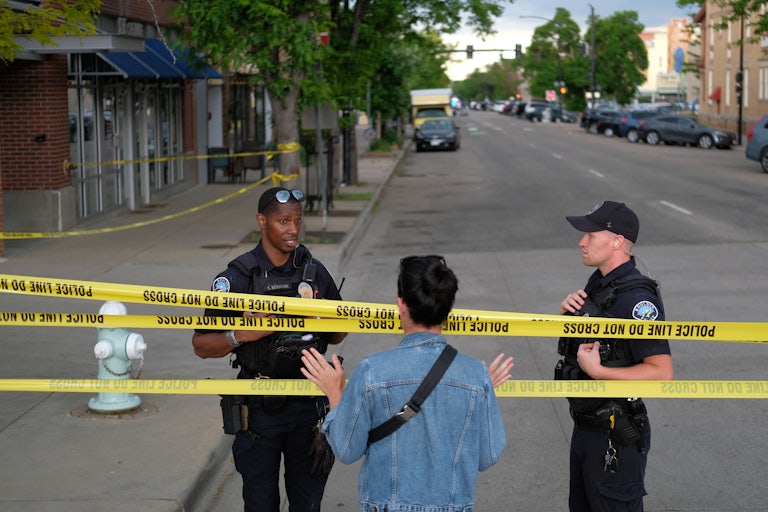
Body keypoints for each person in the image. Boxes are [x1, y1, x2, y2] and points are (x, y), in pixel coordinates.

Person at [301, 255, 512, 512]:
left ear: (401, 304)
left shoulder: (371, 370)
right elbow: (487, 455)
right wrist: (477, 395)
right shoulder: (476, 375)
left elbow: (347, 450)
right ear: (448, 308)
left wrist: (336, 395)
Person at [192, 187, 347, 512]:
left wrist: (324, 318)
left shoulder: (314, 271)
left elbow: (339, 335)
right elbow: (201, 345)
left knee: (308, 503)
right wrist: (240, 335)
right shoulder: (237, 278)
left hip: (310, 406)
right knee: (260, 503)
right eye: (283, 221)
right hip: (260, 409)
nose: (292, 229)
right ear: (262, 221)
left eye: (297, 220)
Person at [556, 201, 674, 512]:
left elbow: (661, 372)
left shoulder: (636, 300)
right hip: (587, 428)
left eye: (590, 236)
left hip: (614, 436)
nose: (582, 242)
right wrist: (568, 314)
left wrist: (600, 372)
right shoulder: (600, 282)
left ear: (616, 241)